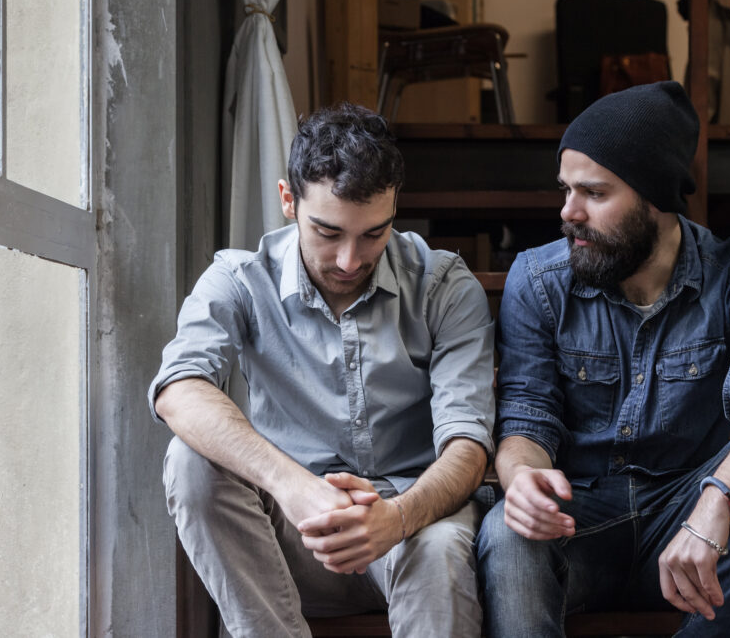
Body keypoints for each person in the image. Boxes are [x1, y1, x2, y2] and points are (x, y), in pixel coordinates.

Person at [476, 81, 730, 637]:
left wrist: (719, 499)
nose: (568, 212)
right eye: (566, 189)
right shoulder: (539, 280)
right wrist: (521, 476)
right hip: (580, 519)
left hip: (694, 523)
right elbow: (526, 414)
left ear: (656, 198)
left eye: (593, 194)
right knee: (506, 530)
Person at [149, 103, 495, 638]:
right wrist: (294, 487)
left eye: (374, 234)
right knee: (189, 459)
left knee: (442, 552)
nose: (350, 261)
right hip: (290, 536)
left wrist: (396, 517)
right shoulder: (239, 279)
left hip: (414, 522)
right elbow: (178, 389)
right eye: (328, 233)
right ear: (288, 199)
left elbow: (468, 447)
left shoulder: (445, 286)